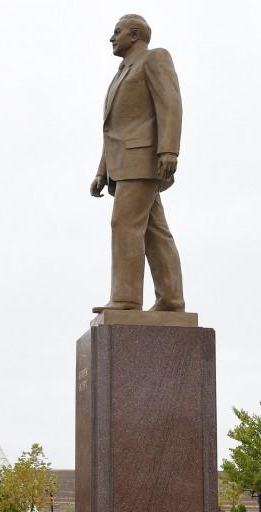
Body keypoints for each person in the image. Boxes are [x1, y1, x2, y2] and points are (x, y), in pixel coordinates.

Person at [90, 14, 185, 314]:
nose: (111, 38)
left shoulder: (154, 59)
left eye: (117, 32)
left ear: (135, 35)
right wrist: (102, 171)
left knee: (125, 224)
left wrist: (169, 150)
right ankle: (171, 299)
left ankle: (127, 299)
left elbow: (170, 103)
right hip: (124, 163)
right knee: (154, 230)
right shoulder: (120, 74)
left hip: (142, 158)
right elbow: (115, 129)